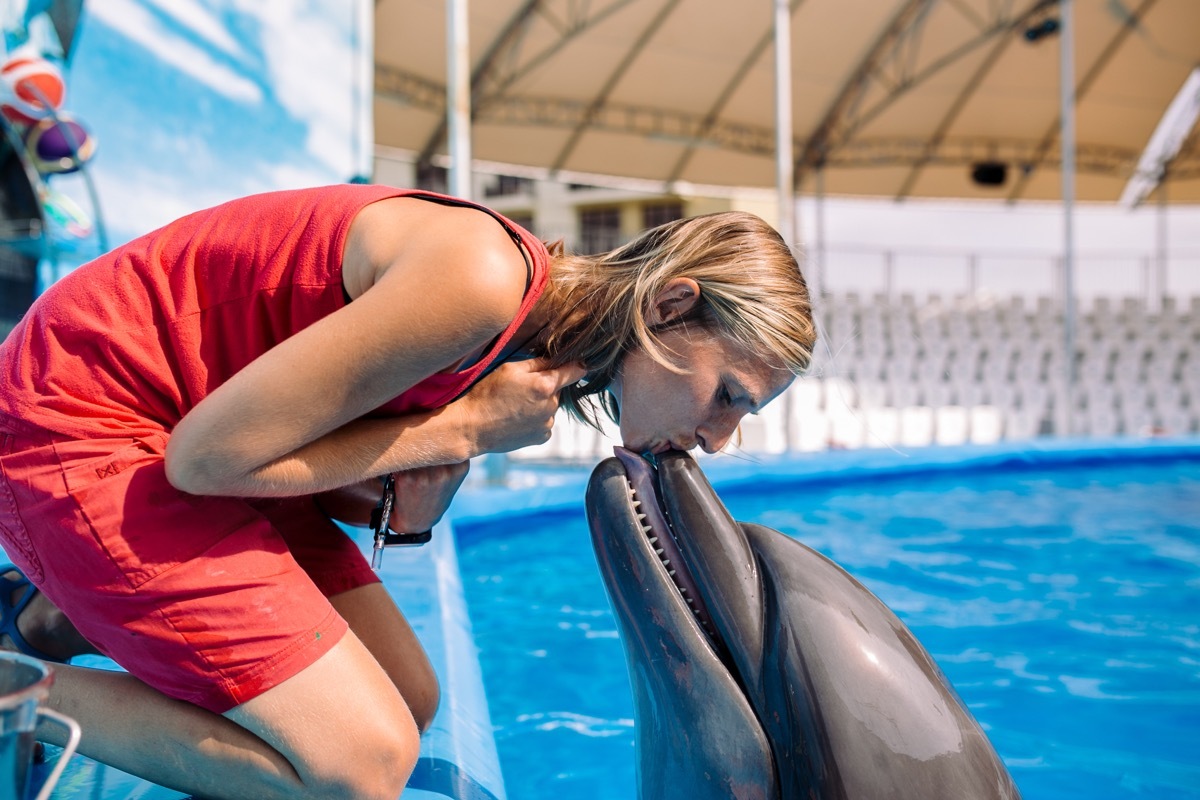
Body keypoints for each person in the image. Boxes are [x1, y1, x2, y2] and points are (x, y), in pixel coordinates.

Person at [0, 183, 815, 799]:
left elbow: (310, 451)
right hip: (79, 427)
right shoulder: (482, 281)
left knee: (409, 695)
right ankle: (12, 690)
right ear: (671, 306)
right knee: (361, 764)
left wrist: (410, 512)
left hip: (176, 436)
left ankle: (43, 616)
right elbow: (206, 461)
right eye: (729, 396)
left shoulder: (524, 329)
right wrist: (461, 431)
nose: (718, 439)